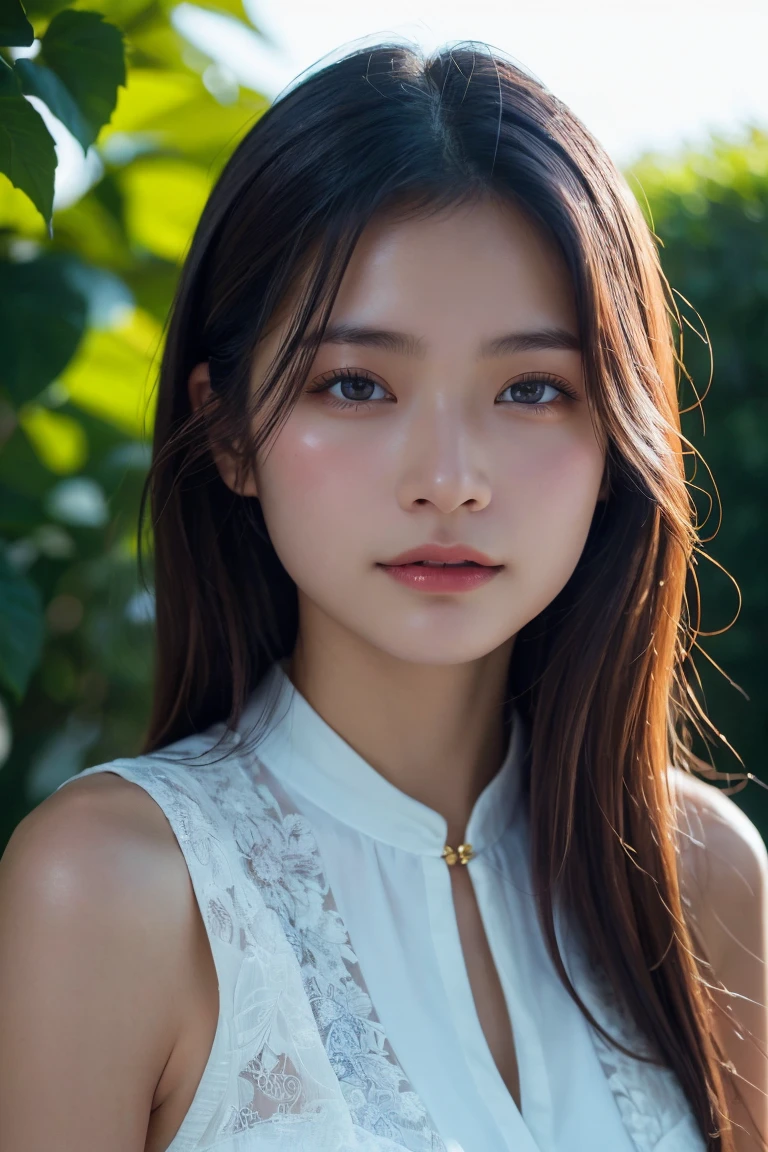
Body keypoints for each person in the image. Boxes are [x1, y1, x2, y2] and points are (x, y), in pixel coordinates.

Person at [0, 37, 766, 1152]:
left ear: (617, 434)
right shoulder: (109, 891)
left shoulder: (704, 876)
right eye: (355, 383)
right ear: (228, 429)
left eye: (531, 389)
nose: (449, 481)